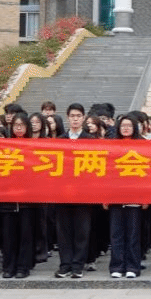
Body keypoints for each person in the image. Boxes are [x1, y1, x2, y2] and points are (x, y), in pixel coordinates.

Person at [53, 104, 93, 279]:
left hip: (84, 193)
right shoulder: (60, 140)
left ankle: (78, 265)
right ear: (68, 118)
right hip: (63, 193)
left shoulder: (91, 140)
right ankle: (65, 265)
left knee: (82, 231)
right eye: (72, 116)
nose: (75, 119)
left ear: (83, 118)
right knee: (64, 231)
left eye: (78, 116)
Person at [107, 115, 146, 279]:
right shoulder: (112, 146)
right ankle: (117, 266)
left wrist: (146, 197)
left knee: (133, 234)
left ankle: (132, 266)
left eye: (129, 125)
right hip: (116, 197)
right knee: (116, 234)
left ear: (135, 127)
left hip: (135, 197)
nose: (126, 128)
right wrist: (105, 197)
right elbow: (107, 173)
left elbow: (148, 174)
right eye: (123, 125)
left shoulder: (142, 145)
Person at [0, 113, 37, 279]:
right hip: (8, 199)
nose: (19, 128)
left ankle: (23, 267)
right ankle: (9, 266)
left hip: (28, 201)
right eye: (16, 125)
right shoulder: (4, 146)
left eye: (22, 125)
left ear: (27, 127)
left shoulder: (34, 146)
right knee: (8, 235)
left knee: (26, 235)